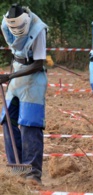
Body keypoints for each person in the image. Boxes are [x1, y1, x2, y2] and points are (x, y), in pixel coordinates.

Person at [0, 4, 48, 185]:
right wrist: (10, 76)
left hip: (34, 79)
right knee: (8, 120)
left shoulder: (38, 28)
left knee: (30, 123)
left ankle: (32, 173)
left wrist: (8, 76)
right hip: (17, 76)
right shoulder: (6, 24)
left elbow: (37, 64)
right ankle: (17, 170)